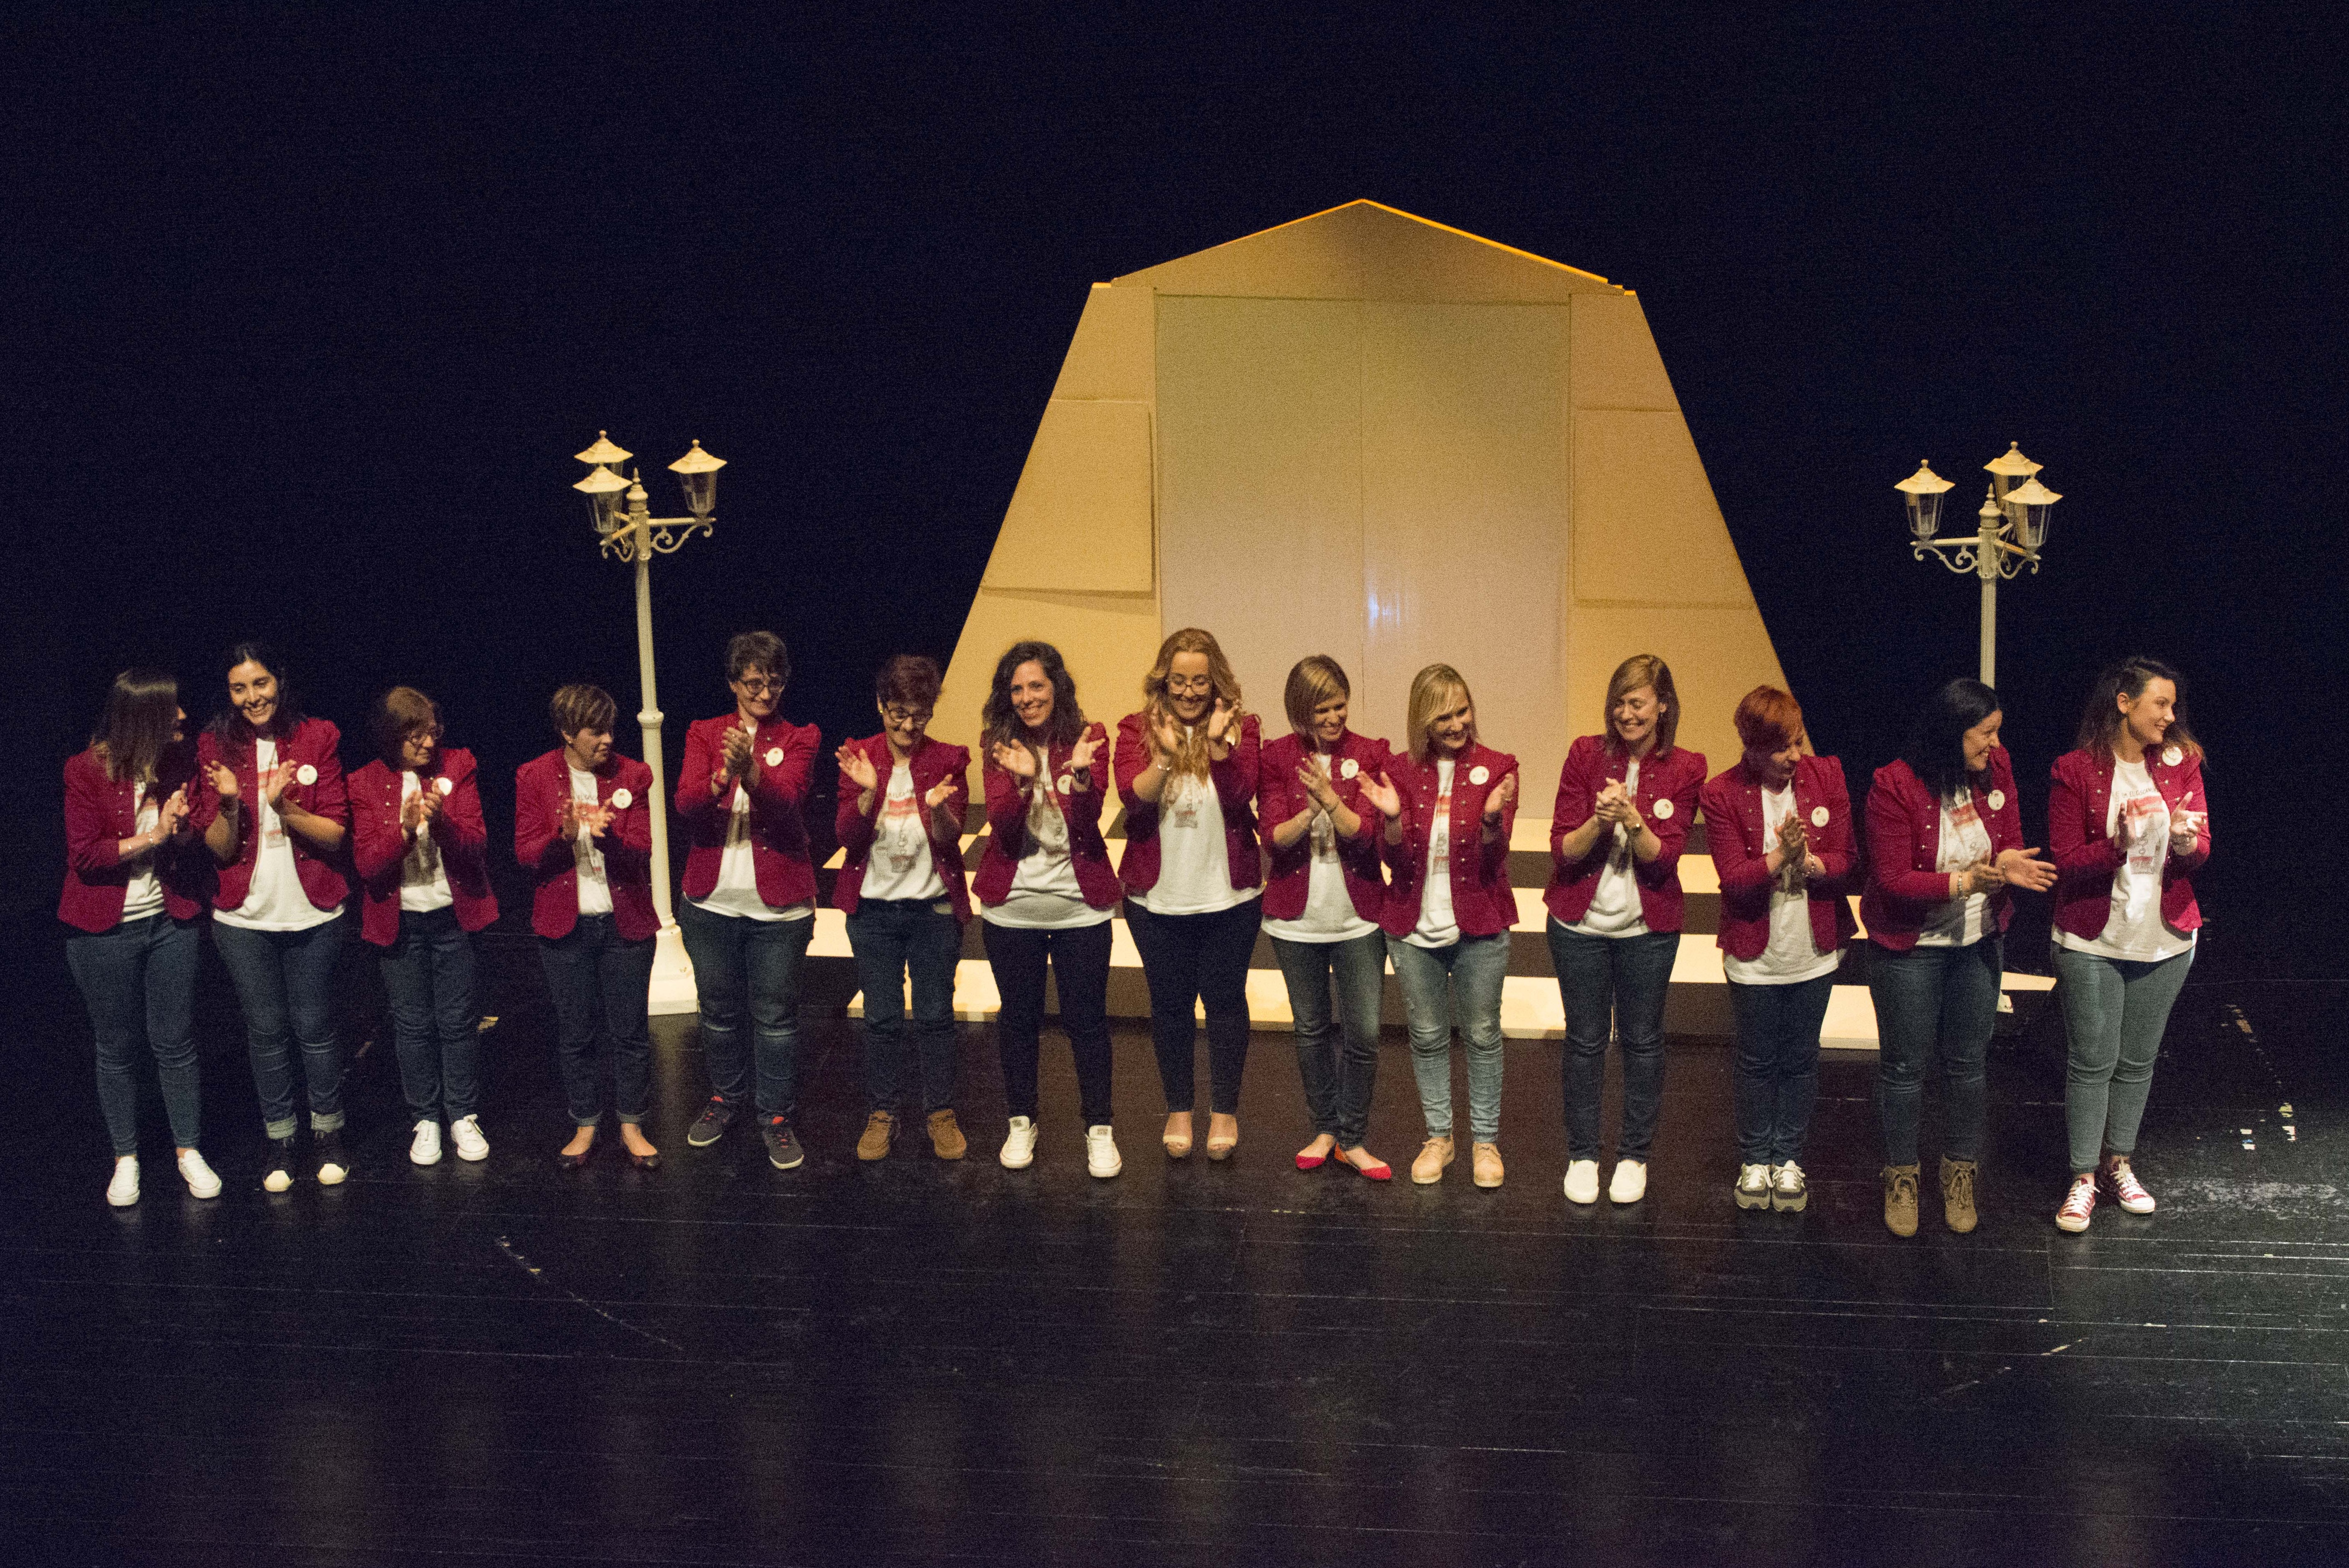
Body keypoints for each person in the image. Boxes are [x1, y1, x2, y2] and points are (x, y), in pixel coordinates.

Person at [1861, 678, 2056, 1237]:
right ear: (1952, 732)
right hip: (1911, 947)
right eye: (1985, 733)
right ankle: (1901, 1177)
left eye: (1998, 733)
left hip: (1977, 940)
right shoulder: (1893, 785)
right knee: (1904, 1068)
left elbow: (2010, 836)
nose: (1994, 744)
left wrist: (2011, 861)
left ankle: (1960, 1174)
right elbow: (1894, 879)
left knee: (1968, 1065)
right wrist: (1970, 879)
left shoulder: (1998, 769)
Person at [2047, 657, 2209, 1233]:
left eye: (2172, 705)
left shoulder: (2182, 762)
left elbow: (2201, 848)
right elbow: (2066, 861)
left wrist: (2188, 843)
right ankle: (2083, 1177)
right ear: (2124, 701)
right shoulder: (2075, 769)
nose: (2170, 716)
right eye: (2159, 704)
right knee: (2093, 1061)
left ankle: (2120, 1164)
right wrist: (2117, 844)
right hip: (2094, 937)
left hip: (2164, 937)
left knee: (2137, 1062)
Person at [1544, 655, 1706, 1207]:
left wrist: (1633, 818)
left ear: (1663, 704)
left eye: (1637, 702)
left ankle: (1634, 1155)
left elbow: (1665, 861)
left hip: (1648, 926)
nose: (1626, 713)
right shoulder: (1585, 754)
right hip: (1579, 923)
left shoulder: (1688, 767)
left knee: (1642, 1041)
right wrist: (1598, 819)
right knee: (1585, 1042)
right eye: (1619, 702)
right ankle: (1584, 1154)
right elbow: (1562, 851)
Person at [191, 642, 353, 1192]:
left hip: (313, 907)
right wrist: (234, 803)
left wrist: (285, 808)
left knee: (315, 1028)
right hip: (244, 917)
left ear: (279, 681)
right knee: (266, 1033)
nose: (252, 697)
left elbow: (335, 834)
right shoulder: (213, 744)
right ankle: (281, 1139)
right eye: (240, 687)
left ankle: (329, 1132)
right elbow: (217, 847)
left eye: (260, 684)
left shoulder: (318, 736)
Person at [60, 669, 221, 1205]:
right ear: (142, 716)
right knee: (117, 1046)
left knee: (175, 1041)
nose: (182, 716)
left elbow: (193, 836)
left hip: (169, 922)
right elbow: (86, 854)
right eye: (171, 708)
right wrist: (152, 833)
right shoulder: (85, 771)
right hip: (104, 930)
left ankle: (188, 1150)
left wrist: (179, 831)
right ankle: (126, 1157)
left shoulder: (180, 762)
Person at [1700, 686, 1855, 1214]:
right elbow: (1734, 880)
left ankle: (1788, 1158)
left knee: (1799, 1057)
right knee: (1756, 1058)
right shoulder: (1720, 792)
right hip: (1754, 951)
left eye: (1798, 742)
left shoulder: (1826, 775)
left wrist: (1810, 863)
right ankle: (1754, 1159)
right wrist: (1779, 856)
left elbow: (1846, 857)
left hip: (1813, 946)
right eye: (1780, 748)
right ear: (1750, 747)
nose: (1794, 756)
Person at [972, 641, 1122, 1176]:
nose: (1027, 696)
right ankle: (1021, 1121)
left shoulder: (1089, 737)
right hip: (1013, 909)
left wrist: (1078, 776)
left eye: (1036, 685)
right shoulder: (996, 741)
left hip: (1080, 908)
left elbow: (1088, 822)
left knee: (1087, 1021)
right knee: (1019, 1020)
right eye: (1016, 688)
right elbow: (1004, 824)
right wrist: (1026, 779)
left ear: (1056, 686)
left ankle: (1099, 1128)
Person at [673, 632, 821, 1171]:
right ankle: (725, 1100)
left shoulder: (801, 735)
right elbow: (687, 802)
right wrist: (722, 772)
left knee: (776, 1018)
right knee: (718, 1012)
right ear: (734, 682)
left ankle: (776, 1116)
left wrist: (752, 770)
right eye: (754, 681)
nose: (765, 691)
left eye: (775, 680)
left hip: (779, 907)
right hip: (711, 901)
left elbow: (789, 802)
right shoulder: (704, 732)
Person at [1115, 628, 1263, 1162]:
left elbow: (1243, 794)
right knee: (1171, 1006)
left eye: (1201, 680)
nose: (1190, 691)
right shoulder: (1137, 728)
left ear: (1216, 680)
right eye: (1179, 679)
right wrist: (1166, 757)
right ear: (1164, 679)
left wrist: (1220, 746)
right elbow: (1132, 801)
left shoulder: (1243, 728)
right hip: (1157, 902)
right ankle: (1180, 1108)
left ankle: (1224, 1110)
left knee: (1226, 1004)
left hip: (1230, 900)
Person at [1376, 664, 1518, 1188]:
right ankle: (1439, 1136)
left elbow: (1494, 858)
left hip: (1480, 921)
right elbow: (1393, 858)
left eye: (1463, 710)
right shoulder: (1397, 769)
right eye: (1444, 716)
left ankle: (1485, 1141)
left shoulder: (1498, 766)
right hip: (1412, 926)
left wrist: (1490, 820)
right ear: (1423, 721)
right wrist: (1391, 818)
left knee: (1482, 1033)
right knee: (1428, 1034)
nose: (1458, 723)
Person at [349, 687, 499, 1166]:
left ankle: (461, 1113)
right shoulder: (366, 781)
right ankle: (426, 1118)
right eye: (414, 737)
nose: (427, 745)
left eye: (431, 733)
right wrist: (404, 830)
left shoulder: (459, 764)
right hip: (401, 920)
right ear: (391, 737)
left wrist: (442, 825)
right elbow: (369, 865)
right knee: (412, 1024)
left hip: (452, 915)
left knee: (457, 1021)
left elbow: (477, 845)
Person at [1258, 655, 1393, 1179]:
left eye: (1340, 705)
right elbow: (1272, 837)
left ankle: (1353, 1136)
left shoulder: (1369, 753)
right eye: (1322, 709)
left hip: (1358, 915)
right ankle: (1326, 1128)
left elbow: (1372, 838)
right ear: (1299, 711)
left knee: (1363, 1031)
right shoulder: (1277, 757)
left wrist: (1334, 803)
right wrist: (1311, 811)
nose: (1335, 717)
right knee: (1311, 1029)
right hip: (1295, 918)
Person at [515, 683, 661, 1170]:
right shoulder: (534, 776)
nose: (606, 740)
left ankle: (632, 1124)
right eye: (594, 732)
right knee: (576, 1032)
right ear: (566, 733)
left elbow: (642, 850)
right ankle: (584, 1122)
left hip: (625, 924)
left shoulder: (634, 774)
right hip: (566, 927)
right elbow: (524, 853)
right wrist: (563, 837)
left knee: (630, 1031)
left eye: (610, 730)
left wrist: (607, 836)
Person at [834, 654, 972, 1162]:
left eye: (919, 714)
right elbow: (847, 837)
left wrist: (937, 810)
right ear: (880, 705)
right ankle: (882, 1113)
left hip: (932, 911)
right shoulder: (858, 756)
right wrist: (868, 793)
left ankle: (939, 1112)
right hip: (872, 912)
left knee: (936, 1016)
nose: (909, 726)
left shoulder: (949, 757)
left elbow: (952, 836)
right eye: (898, 713)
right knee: (882, 1018)